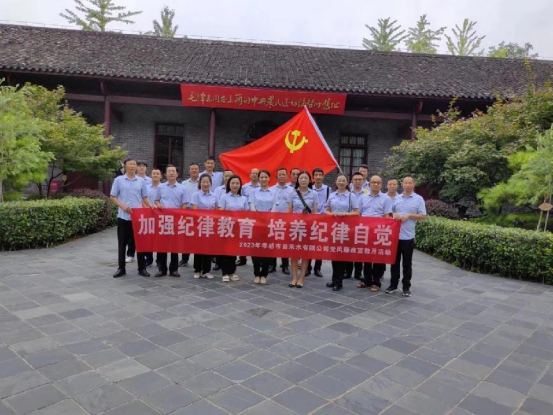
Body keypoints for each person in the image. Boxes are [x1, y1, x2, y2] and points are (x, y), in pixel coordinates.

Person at [110, 158, 152, 278]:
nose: (133, 166)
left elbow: (145, 197)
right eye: (130, 164)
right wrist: (123, 206)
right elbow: (113, 196)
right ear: (125, 166)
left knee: (140, 243)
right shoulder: (119, 180)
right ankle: (121, 268)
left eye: (134, 164)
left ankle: (142, 268)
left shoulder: (141, 181)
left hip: (138, 217)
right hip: (123, 217)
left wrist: (150, 205)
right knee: (122, 243)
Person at [386, 177, 426, 297]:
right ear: (402, 184)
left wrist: (409, 215)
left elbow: (423, 216)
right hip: (395, 236)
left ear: (414, 184)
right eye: (405, 183)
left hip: (408, 237)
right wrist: (394, 215)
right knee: (394, 262)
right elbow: (388, 213)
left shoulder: (418, 199)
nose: (407, 185)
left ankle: (406, 287)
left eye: (410, 183)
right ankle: (393, 284)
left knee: (407, 263)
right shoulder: (396, 198)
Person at [357, 175, 393, 292]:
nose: (376, 184)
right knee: (366, 255)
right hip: (366, 231)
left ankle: (376, 282)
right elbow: (359, 214)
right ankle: (366, 280)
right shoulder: (363, 198)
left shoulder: (386, 199)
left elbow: (387, 216)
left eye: (378, 182)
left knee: (378, 257)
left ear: (381, 185)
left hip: (379, 232)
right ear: (369, 184)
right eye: (373, 182)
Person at [154, 165, 190, 278]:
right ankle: (161, 269)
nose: (171, 173)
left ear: (177, 174)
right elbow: (156, 200)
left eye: (173, 171)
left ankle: (174, 269)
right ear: (165, 174)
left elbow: (184, 204)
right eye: (169, 171)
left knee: (174, 245)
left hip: (176, 220)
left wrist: (179, 215)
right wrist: (159, 206)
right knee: (161, 245)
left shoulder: (182, 188)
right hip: (163, 220)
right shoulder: (160, 187)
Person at [325, 174, 359, 291]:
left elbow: (357, 212)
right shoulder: (332, 195)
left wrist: (346, 214)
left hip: (346, 229)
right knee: (334, 254)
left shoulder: (351, 196)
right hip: (334, 229)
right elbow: (327, 209)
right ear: (336, 182)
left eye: (343, 181)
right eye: (339, 180)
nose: (341, 183)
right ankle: (334, 279)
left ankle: (338, 282)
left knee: (342, 255)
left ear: (347, 183)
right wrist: (330, 214)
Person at [287, 171, 317, 288]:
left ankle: (301, 278)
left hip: (308, 227)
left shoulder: (314, 194)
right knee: (294, 253)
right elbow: (289, 211)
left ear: (309, 180)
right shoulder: (292, 193)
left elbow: (314, 212)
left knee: (305, 253)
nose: (303, 180)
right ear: (297, 180)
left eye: (306, 178)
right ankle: (294, 277)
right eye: (301, 178)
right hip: (295, 227)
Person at [218, 175, 249, 282]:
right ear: (229, 185)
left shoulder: (244, 198)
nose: (235, 185)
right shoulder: (224, 197)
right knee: (225, 250)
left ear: (240, 185)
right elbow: (221, 212)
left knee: (234, 250)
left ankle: (232, 271)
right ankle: (225, 272)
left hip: (238, 228)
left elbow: (246, 213)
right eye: (233, 183)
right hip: (227, 226)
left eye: (237, 183)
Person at [249, 170, 276, 285]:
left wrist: (267, 218)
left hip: (269, 224)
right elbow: (252, 206)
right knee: (255, 248)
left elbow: (274, 207)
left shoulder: (273, 192)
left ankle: (264, 274)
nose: (264, 179)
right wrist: (259, 218)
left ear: (269, 178)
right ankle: (256, 274)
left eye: (266, 177)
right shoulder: (253, 191)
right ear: (258, 178)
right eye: (261, 177)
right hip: (256, 224)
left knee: (266, 249)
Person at [191, 174, 218, 279]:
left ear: (210, 183)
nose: (205, 184)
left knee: (208, 248)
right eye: (203, 182)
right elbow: (194, 210)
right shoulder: (196, 195)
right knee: (198, 248)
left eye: (207, 182)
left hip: (210, 225)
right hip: (199, 225)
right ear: (200, 183)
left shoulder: (214, 196)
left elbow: (217, 211)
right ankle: (197, 270)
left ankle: (206, 270)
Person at [345, 172, 369, 280]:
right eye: (355, 179)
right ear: (352, 181)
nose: (358, 181)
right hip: (349, 225)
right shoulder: (347, 193)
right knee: (349, 248)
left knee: (359, 249)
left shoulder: (367, 193)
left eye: (360, 179)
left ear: (363, 181)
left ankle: (358, 272)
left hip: (362, 225)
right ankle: (348, 271)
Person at [270, 167, 292, 275]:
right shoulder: (271, 189)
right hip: (273, 220)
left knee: (285, 243)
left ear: (287, 176)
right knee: (272, 242)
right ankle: (272, 265)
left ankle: (285, 265)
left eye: (283, 174)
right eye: (280, 175)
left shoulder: (292, 190)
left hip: (286, 220)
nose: (282, 176)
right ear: (276, 176)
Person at [308, 167, 329, 278]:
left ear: (323, 176)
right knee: (309, 244)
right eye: (316, 175)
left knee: (320, 245)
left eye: (320, 175)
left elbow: (329, 205)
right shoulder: (309, 188)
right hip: (310, 220)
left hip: (323, 221)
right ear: (313, 177)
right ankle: (307, 267)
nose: (318, 177)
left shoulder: (328, 189)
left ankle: (317, 268)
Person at [237, 168, 259, 267]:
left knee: (256, 238)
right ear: (250, 175)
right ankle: (242, 258)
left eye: (257, 173)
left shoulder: (262, 187)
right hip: (245, 216)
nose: (255, 175)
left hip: (258, 216)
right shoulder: (244, 187)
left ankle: (256, 259)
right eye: (253, 173)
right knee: (243, 237)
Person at [213, 168, 234, 271]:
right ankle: (218, 262)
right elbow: (216, 204)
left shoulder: (237, 188)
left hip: (233, 221)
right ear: (223, 177)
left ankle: (230, 264)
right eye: (226, 176)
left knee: (231, 243)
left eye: (230, 176)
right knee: (219, 242)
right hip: (220, 220)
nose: (228, 178)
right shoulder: (218, 190)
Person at [179, 162, 201, 266]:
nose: (194, 171)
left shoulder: (203, 182)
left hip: (199, 213)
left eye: (196, 169)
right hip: (187, 212)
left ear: (199, 171)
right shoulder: (184, 184)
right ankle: (184, 259)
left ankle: (199, 259)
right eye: (192, 169)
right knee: (186, 236)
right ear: (189, 171)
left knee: (199, 237)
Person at [143, 168, 162, 268]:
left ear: (161, 176)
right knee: (148, 238)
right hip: (148, 216)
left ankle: (159, 260)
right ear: (151, 175)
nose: (155, 175)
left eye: (157, 173)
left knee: (159, 239)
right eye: (154, 173)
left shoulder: (163, 187)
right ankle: (149, 259)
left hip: (160, 217)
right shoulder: (146, 187)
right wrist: (146, 208)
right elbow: (142, 199)